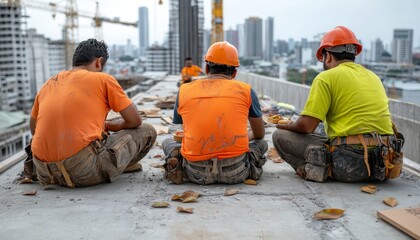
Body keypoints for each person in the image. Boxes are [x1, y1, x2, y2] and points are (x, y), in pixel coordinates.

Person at [272, 26, 404, 183]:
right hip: (384, 162)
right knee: (325, 131)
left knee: (280, 136)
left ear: (327, 56)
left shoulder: (326, 78)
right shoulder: (374, 77)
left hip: (349, 164)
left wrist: (286, 125)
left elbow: (306, 126)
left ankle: (314, 170)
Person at [29, 39, 157, 188]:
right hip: (82, 170)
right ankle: (121, 165)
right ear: (98, 62)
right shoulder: (103, 79)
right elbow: (135, 120)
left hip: (44, 171)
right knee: (147, 131)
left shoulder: (50, 83)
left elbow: (34, 129)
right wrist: (110, 126)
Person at [163, 41, 268, 185]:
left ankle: (177, 161)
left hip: (195, 172)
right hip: (236, 172)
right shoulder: (246, 91)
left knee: (167, 142)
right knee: (261, 143)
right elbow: (259, 134)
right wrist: (241, 136)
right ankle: (250, 163)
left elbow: (186, 129)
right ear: (235, 72)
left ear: (207, 68)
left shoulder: (184, 90)